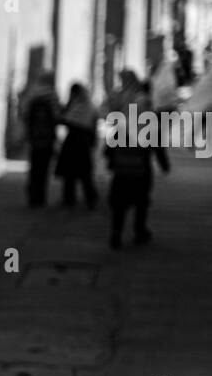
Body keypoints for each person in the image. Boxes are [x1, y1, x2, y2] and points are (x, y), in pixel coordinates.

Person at [102, 70, 169, 248]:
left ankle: (116, 233)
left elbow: (111, 144)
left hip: (122, 168)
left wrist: (110, 161)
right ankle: (139, 230)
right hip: (141, 169)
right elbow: (157, 145)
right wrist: (164, 165)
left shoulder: (125, 120)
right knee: (141, 200)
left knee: (119, 202)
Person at [55, 82, 98, 209]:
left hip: (79, 142)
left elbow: (66, 120)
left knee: (83, 173)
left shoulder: (86, 106)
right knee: (71, 173)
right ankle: (70, 199)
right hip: (75, 142)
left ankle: (89, 198)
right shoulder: (78, 105)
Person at [23, 71, 60, 208]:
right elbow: (57, 116)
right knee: (44, 169)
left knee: (34, 167)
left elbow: (25, 114)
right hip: (47, 138)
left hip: (34, 138)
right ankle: (40, 198)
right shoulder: (52, 94)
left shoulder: (33, 94)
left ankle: (33, 196)